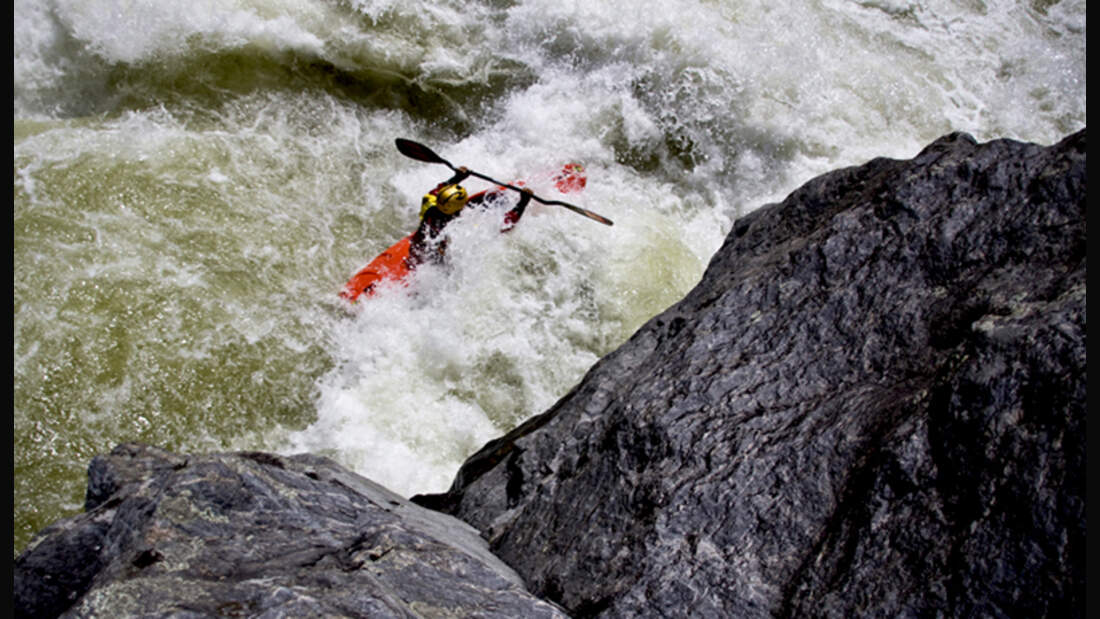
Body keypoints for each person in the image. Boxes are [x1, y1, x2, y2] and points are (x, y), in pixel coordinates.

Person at [407, 166, 535, 268]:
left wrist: (457, 177)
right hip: (438, 262)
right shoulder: (459, 226)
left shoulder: (429, 205)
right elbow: (505, 224)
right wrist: (522, 203)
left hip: (417, 251)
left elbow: (438, 190)